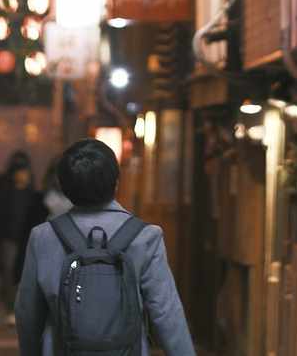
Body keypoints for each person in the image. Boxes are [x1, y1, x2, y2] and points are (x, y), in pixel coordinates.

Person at [15, 139, 196, 355]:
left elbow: (28, 311)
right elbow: (166, 312)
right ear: (117, 182)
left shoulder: (43, 237)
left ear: (64, 186)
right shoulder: (145, 236)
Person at [0, 151, 47, 326]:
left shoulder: (34, 195)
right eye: (20, 172)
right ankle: (11, 309)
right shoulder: (5, 194)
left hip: (28, 239)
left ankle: (24, 309)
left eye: (25, 172)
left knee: (27, 274)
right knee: (9, 274)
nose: (23, 176)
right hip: (9, 239)